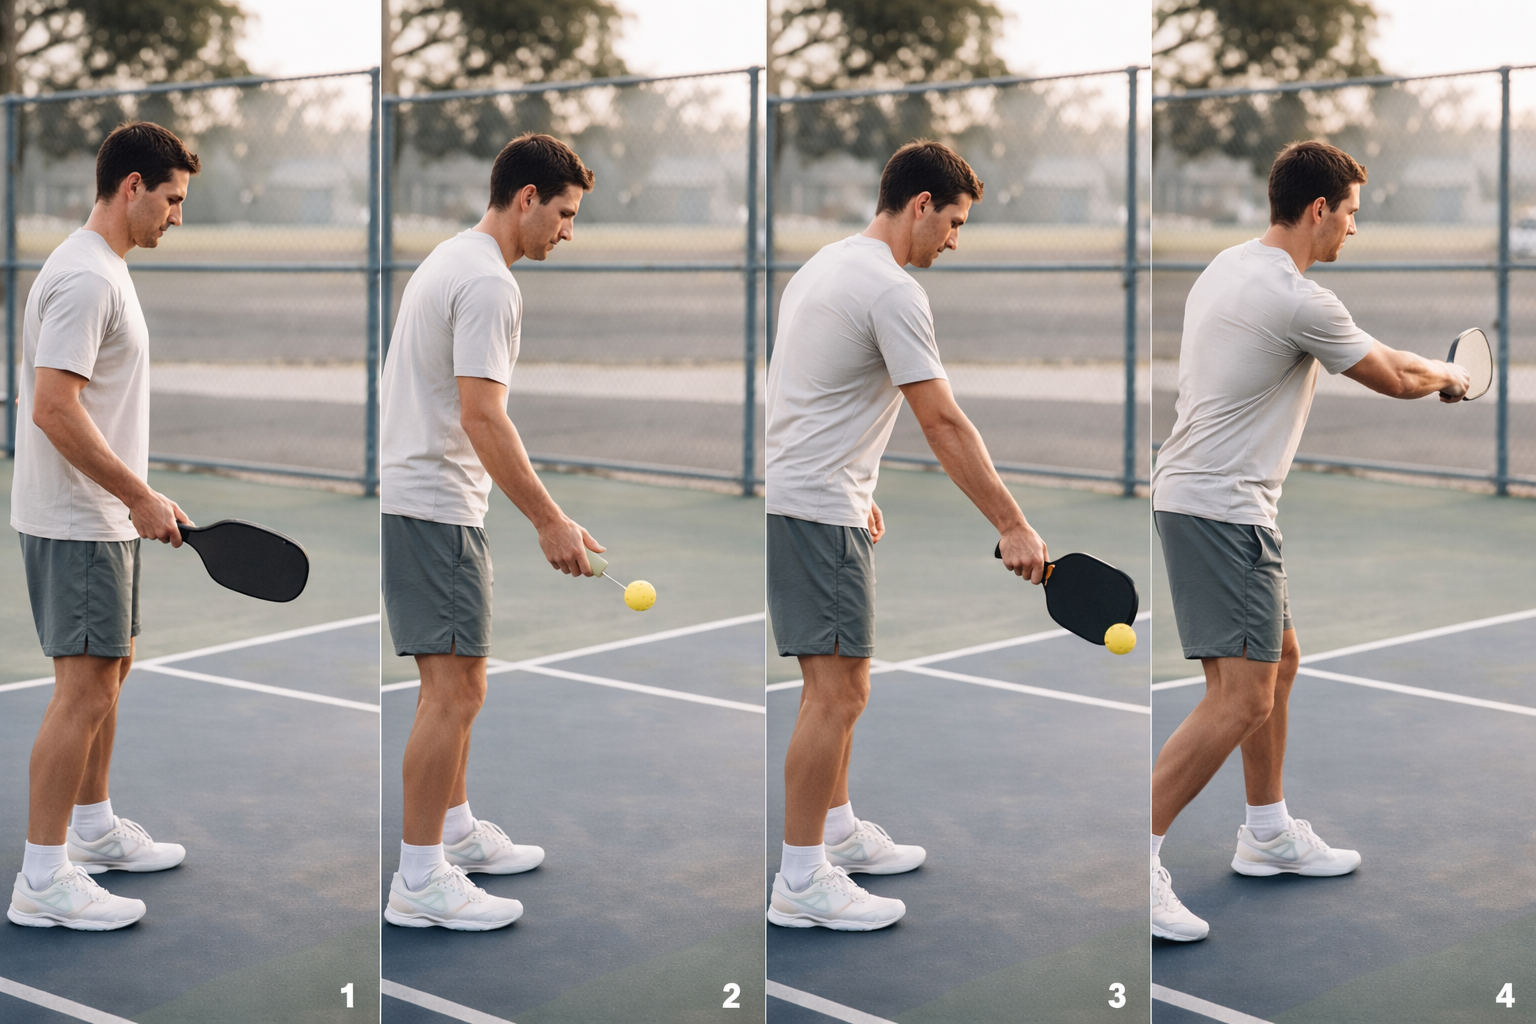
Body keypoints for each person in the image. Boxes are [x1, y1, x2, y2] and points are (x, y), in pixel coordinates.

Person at [1149, 141, 1471, 942]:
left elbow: (1378, 357)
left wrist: (1431, 369)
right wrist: (1450, 376)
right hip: (1222, 509)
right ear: (1319, 208)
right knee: (1242, 697)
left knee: (1277, 663)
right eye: (1351, 213)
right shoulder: (1297, 298)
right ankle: (1137, 854)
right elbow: (1394, 375)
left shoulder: (1229, 266)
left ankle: (1266, 832)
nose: (1353, 229)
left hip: (1206, 502)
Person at [764, 140, 1049, 931]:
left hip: (817, 499)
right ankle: (800, 880)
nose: (955, 240)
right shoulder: (892, 290)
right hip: (817, 511)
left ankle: (836, 830)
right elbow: (942, 421)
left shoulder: (824, 265)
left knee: (835, 688)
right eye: (954, 223)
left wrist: (857, 485)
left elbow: (808, 387)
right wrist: (1012, 524)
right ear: (921, 205)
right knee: (838, 694)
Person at [380, 133, 603, 931]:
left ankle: (454, 829)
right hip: (434, 506)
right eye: (564, 214)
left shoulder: (452, 258)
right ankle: (419, 880)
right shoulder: (487, 282)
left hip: (430, 503)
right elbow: (482, 415)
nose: (567, 232)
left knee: (452, 686)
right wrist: (551, 521)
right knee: (457, 691)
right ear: (526, 199)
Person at [8, 123, 200, 931]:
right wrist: (136, 496)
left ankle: (91, 828)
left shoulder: (103, 268)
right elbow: (54, 408)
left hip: (102, 514)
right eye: (172, 199)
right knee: (84, 688)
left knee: (109, 671)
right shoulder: (86, 277)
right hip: (79, 518)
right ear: (131, 187)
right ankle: (43, 879)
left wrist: (138, 498)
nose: (178, 216)